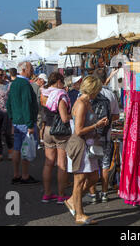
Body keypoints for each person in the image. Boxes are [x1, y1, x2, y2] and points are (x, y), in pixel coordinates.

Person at [64, 76, 109, 225]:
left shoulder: (86, 102)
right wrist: (97, 125)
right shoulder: (82, 103)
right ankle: (79, 214)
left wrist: (97, 125)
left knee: (94, 177)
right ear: (93, 89)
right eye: (97, 89)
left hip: (88, 144)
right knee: (79, 180)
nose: (99, 92)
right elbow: (78, 130)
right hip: (80, 145)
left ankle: (72, 201)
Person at [88, 68, 120, 203]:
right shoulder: (110, 94)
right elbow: (116, 115)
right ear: (104, 79)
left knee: (91, 164)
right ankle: (105, 193)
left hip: (89, 134)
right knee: (105, 164)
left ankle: (93, 194)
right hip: (106, 135)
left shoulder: (86, 94)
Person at [6, 61, 39, 185]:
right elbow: (27, 104)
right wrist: (30, 124)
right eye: (31, 68)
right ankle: (25, 175)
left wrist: (12, 119)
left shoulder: (13, 84)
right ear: (24, 70)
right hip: (25, 122)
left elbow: (8, 104)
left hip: (17, 121)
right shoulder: (24, 84)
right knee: (26, 148)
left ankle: (16, 174)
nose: (32, 71)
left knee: (17, 148)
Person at [40, 72, 71, 204]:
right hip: (60, 131)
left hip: (47, 129)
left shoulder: (44, 94)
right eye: (62, 82)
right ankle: (61, 194)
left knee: (48, 163)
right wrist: (73, 115)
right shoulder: (60, 95)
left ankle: (47, 194)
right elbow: (64, 118)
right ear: (58, 81)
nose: (63, 85)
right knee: (61, 164)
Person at [31, 73, 48, 142]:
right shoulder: (36, 87)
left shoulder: (32, 85)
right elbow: (38, 100)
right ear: (40, 80)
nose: (44, 83)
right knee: (38, 126)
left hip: (35, 110)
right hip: (37, 110)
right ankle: (37, 141)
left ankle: (36, 141)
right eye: (44, 81)